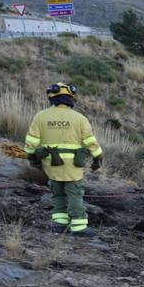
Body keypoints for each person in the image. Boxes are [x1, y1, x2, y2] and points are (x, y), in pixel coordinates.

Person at [23, 82, 103, 236]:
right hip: (73, 166)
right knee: (74, 194)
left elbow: (30, 143)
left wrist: (32, 159)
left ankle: (60, 224)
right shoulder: (80, 118)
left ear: (52, 97)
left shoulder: (40, 116)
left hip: (50, 164)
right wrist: (98, 156)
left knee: (58, 193)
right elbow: (90, 142)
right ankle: (79, 227)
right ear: (70, 98)